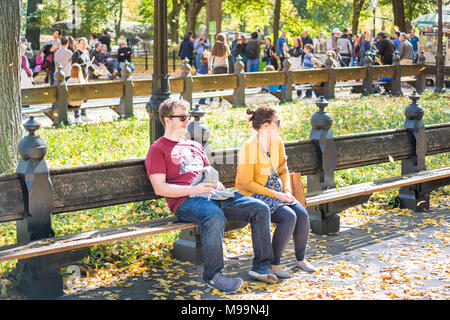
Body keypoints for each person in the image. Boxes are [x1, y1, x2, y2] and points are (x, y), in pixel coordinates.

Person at [145, 98, 277, 292]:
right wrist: (193, 190)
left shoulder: (195, 146)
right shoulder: (158, 149)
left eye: (187, 116)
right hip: (185, 202)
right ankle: (214, 276)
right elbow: (160, 188)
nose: (186, 121)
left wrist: (217, 184)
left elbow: (208, 172)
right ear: (167, 119)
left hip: (211, 195)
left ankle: (261, 267)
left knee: (259, 208)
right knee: (214, 216)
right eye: (181, 117)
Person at [235, 106, 315, 279]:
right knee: (288, 217)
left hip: (278, 192)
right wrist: (276, 195)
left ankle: (300, 260)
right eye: (277, 122)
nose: (280, 126)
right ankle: (275, 264)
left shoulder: (277, 141)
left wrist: (286, 189)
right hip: (254, 194)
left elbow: (283, 170)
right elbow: (246, 183)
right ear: (265, 126)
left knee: (301, 214)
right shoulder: (249, 147)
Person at [209, 33, 230, 103]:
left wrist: (209, 68)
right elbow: (229, 53)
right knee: (222, 86)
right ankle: (220, 102)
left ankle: (210, 101)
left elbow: (210, 59)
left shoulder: (214, 46)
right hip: (224, 67)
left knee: (214, 86)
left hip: (216, 67)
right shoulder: (226, 46)